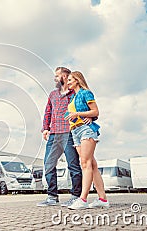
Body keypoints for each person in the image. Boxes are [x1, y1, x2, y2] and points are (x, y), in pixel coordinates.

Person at [37, 67, 90, 207]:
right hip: (54, 134)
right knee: (48, 165)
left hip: (69, 133)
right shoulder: (53, 94)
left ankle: (75, 196)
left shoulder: (75, 93)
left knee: (73, 165)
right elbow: (48, 112)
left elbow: (86, 107)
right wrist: (45, 129)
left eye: (57, 76)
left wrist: (91, 118)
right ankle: (52, 197)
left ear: (65, 77)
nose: (55, 78)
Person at [65, 71, 109, 210]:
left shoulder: (85, 93)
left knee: (85, 163)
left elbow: (95, 112)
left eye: (70, 79)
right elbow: (75, 114)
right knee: (92, 165)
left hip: (85, 129)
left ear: (77, 80)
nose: (68, 82)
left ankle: (83, 199)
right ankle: (103, 199)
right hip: (75, 131)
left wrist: (79, 114)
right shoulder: (73, 98)